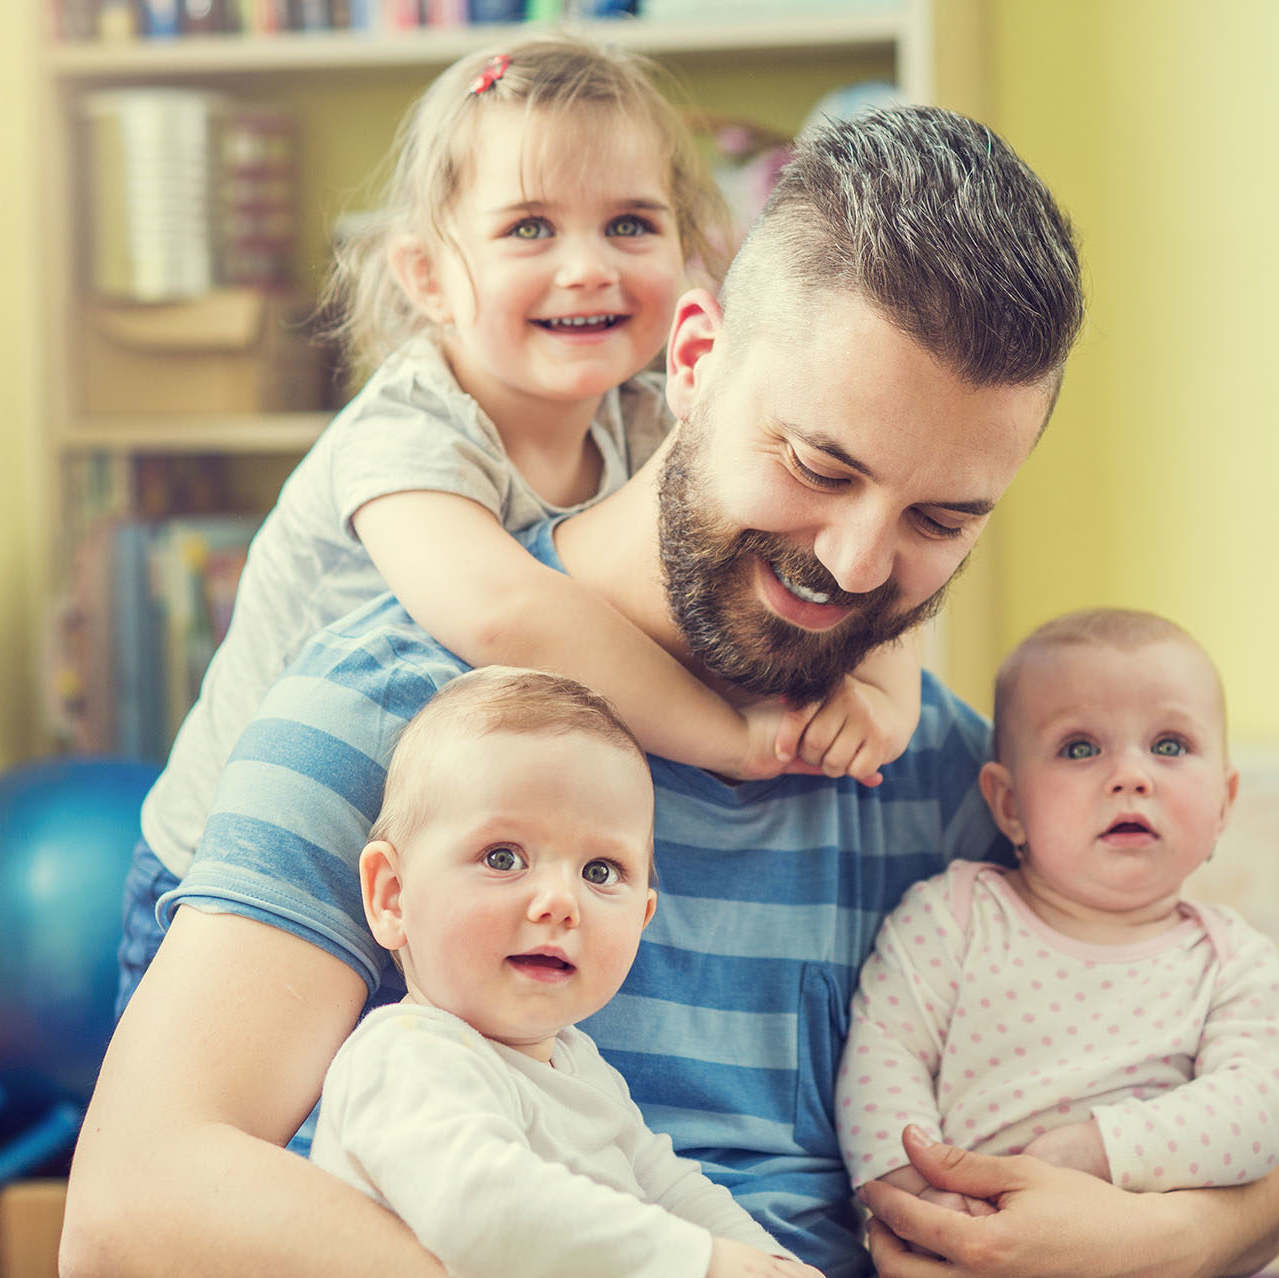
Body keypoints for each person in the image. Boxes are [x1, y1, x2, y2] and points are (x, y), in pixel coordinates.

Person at [65, 106, 1279, 1278]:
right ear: (693, 355)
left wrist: (1161, 1236)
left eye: (941, 516)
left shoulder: (926, 767)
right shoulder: (398, 703)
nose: (856, 562)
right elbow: (134, 1203)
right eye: (817, 462)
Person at [129, 41, 923, 995]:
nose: (586, 267)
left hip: (441, 860)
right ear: (427, 275)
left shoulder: (648, 411)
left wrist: (885, 689)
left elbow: (832, 507)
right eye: (529, 229)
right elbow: (502, 613)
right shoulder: (407, 431)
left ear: (688, 249)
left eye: (630, 223)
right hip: (246, 872)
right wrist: (727, 738)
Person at [309, 666, 819, 1278]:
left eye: (601, 871)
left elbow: (675, 1189)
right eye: (504, 857)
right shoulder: (403, 1057)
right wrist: (702, 1263)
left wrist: (772, 1262)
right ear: (393, 897)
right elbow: (483, 1210)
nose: (559, 901)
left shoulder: (584, 1070)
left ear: (643, 916)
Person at [837, 608, 1279, 1223]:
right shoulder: (952, 918)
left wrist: (1102, 1149)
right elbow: (882, 1056)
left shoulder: (1234, 964)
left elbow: (1263, 1107)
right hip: (966, 1235)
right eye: (1079, 748)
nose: (1131, 777)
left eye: (1170, 745)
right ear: (1008, 804)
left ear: (1225, 801)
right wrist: (919, 1190)